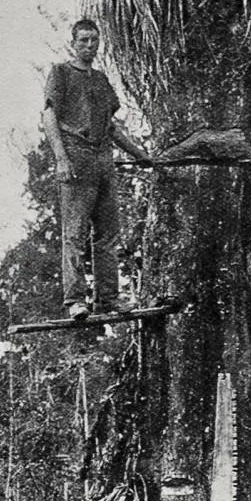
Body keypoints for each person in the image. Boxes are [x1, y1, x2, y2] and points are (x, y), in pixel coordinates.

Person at [43, 19, 151, 319]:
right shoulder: (61, 73)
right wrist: (61, 159)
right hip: (76, 159)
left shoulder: (101, 80)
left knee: (107, 234)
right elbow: (49, 116)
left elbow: (111, 127)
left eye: (94, 40)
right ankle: (75, 300)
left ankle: (108, 298)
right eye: (84, 41)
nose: (89, 46)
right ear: (73, 43)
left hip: (104, 161)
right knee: (75, 233)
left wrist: (141, 155)